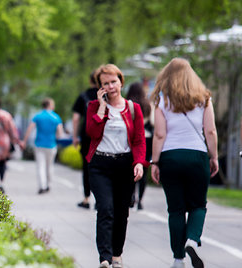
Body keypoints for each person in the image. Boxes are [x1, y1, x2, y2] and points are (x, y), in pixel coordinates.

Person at [150, 58, 218, 268]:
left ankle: (178, 259)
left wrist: (155, 162)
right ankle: (192, 239)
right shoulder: (204, 98)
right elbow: (210, 130)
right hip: (197, 157)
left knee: (176, 210)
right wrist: (213, 156)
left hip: (170, 157)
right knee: (198, 205)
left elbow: (159, 134)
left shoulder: (162, 100)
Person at [85, 64, 146, 268]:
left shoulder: (132, 108)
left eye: (113, 82)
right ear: (100, 87)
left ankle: (117, 254)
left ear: (121, 81)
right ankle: (105, 256)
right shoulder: (94, 107)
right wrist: (102, 107)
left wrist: (139, 162)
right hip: (100, 165)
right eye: (105, 84)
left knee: (121, 212)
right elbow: (92, 133)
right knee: (105, 209)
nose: (110, 87)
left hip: (124, 165)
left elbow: (138, 139)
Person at [21, 98, 64, 194]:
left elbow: (29, 129)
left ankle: (42, 186)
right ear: (49, 105)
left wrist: (24, 141)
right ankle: (49, 185)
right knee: (50, 166)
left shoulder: (38, 116)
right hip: (52, 145)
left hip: (39, 144)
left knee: (40, 166)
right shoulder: (56, 117)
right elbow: (60, 134)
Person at [72, 70, 99, 208]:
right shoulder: (106, 95)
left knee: (87, 166)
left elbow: (76, 118)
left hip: (86, 134)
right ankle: (99, 199)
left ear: (90, 81)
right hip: (101, 136)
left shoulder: (83, 96)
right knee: (100, 167)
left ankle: (86, 198)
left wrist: (75, 136)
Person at [127, 82, 153, 210]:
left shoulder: (128, 104)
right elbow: (153, 122)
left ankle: (131, 195)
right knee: (143, 169)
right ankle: (140, 200)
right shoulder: (147, 105)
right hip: (147, 139)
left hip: (132, 140)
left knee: (132, 168)